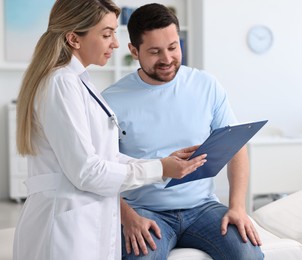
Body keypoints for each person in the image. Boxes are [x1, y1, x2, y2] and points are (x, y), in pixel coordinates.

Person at [13, 1, 207, 260]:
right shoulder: (61, 84)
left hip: (87, 220)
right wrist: (160, 169)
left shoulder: (79, 82)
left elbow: (105, 157)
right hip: (65, 226)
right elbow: (87, 171)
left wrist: (162, 164)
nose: (115, 43)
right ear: (74, 38)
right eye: (106, 34)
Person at [102, 3, 264, 260]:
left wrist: (237, 207)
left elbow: (236, 147)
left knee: (248, 254)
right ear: (134, 50)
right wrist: (128, 218)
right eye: (155, 51)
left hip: (203, 208)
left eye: (173, 47)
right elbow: (102, 171)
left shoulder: (206, 85)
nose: (167, 59)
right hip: (144, 210)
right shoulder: (111, 100)